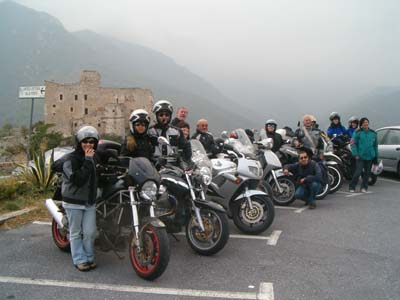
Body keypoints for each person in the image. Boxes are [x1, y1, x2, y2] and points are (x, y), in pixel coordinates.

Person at [62, 125, 99, 271]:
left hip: (89, 201)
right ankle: (79, 259)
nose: (88, 144)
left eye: (91, 142)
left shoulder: (93, 157)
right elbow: (79, 180)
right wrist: (88, 160)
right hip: (73, 202)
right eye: (85, 141)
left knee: (90, 232)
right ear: (79, 142)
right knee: (76, 232)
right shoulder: (70, 160)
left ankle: (89, 257)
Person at [349, 117, 378, 193]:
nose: (366, 124)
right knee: (358, 172)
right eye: (364, 123)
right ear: (361, 125)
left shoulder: (373, 133)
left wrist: (376, 157)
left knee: (367, 173)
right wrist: (356, 154)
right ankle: (352, 186)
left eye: (367, 123)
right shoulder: (357, 132)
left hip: (370, 156)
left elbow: (375, 146)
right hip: (360, 156)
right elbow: (352, 144)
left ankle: (364, 187)